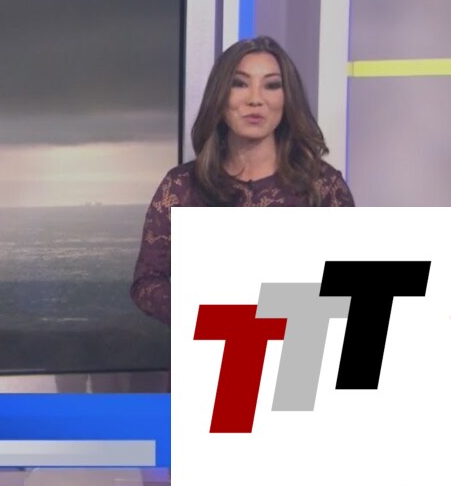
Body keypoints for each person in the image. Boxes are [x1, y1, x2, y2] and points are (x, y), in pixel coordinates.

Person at [131, 36, 355, 324]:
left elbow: (350, 290)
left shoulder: (323, 186)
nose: (255, 99)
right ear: (220, 96)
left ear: (287, 98)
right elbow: (147, 282)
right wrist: (213, 317)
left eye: (271, 85)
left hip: (299, 347)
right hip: (215, 345)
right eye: (239, 83)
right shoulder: (181, 186)